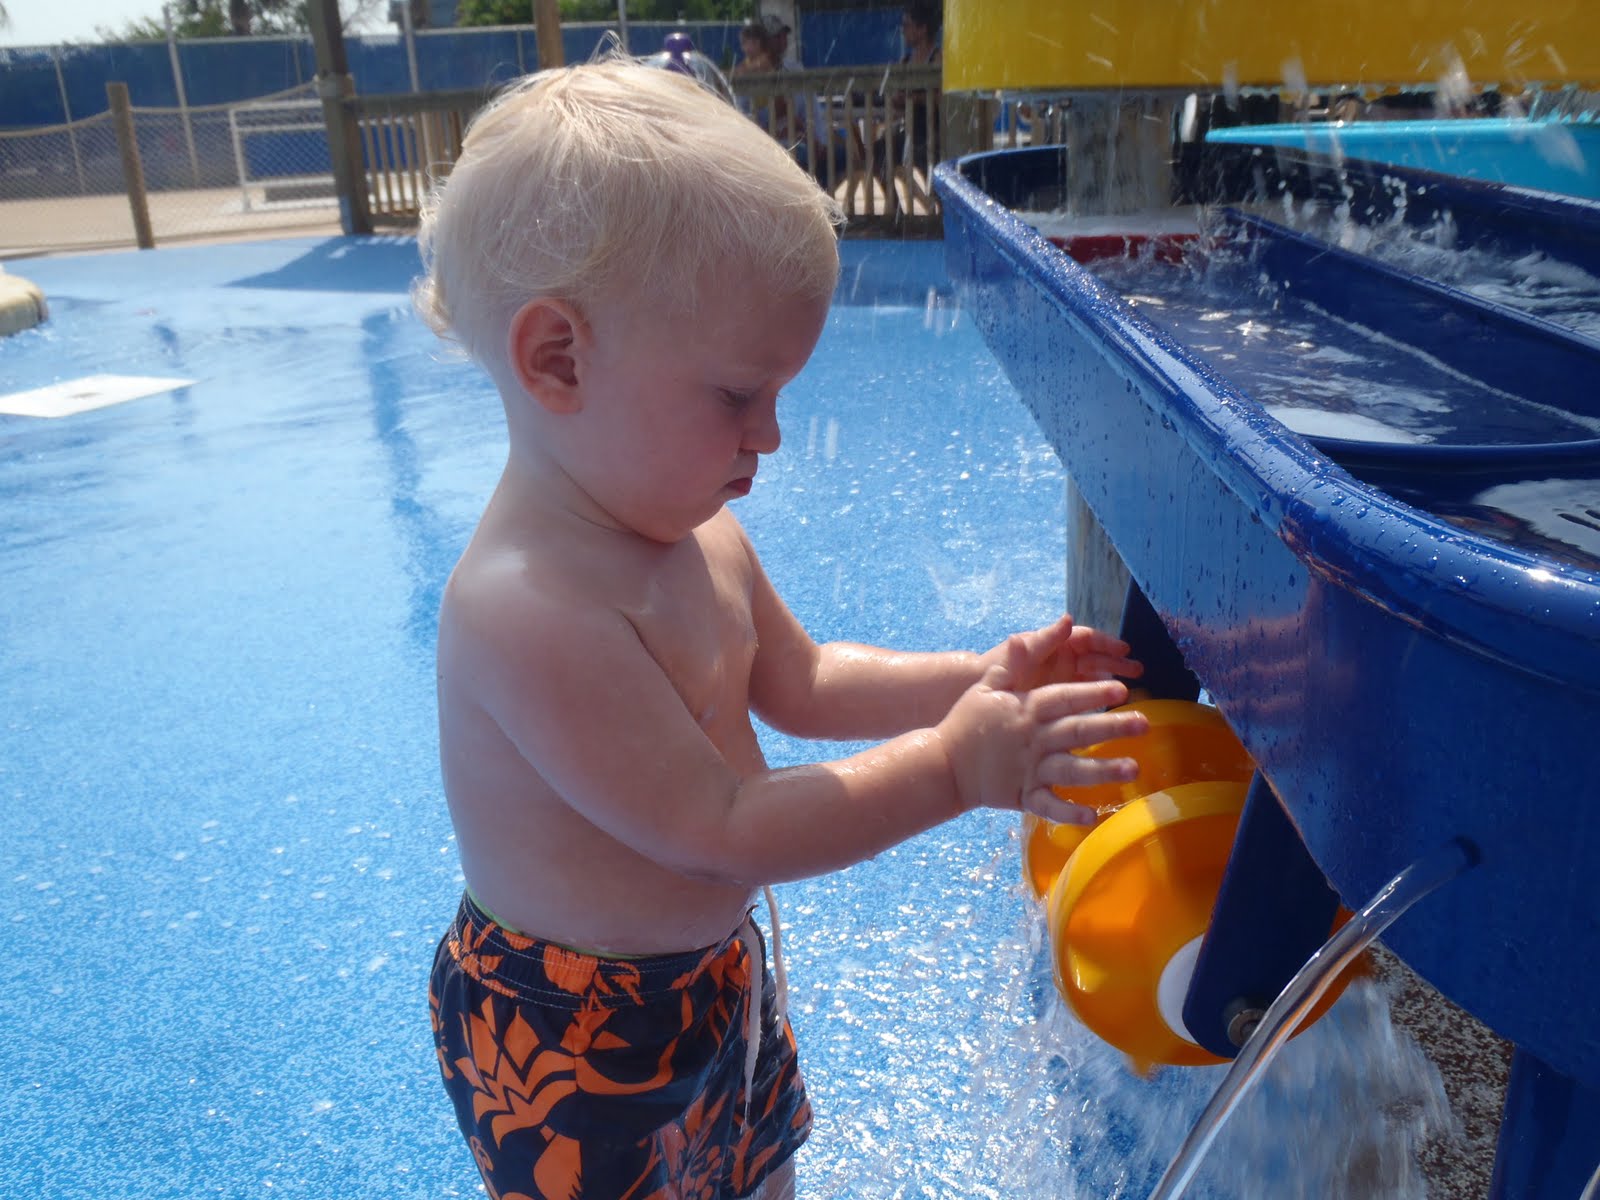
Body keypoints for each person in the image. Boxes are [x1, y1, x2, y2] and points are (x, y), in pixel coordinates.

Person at [414, 58, 1147, 1200]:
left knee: (756, 1176)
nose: (772, 435)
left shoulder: (694, 534)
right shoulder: (528, 610)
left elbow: (802, 681)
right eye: (735, 397)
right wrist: (956, 765)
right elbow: (721, 828)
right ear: (557, 359)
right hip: (568, 1040)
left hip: (713, 976)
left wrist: (976, 676)